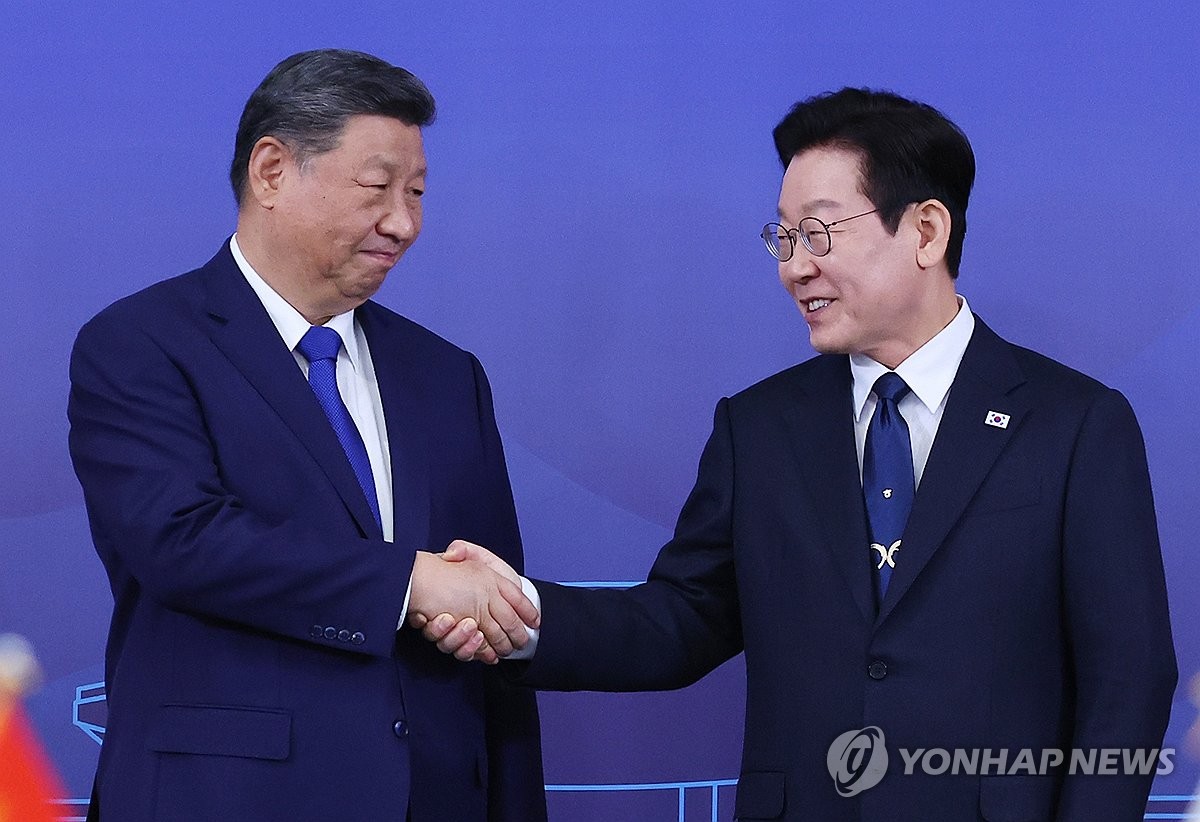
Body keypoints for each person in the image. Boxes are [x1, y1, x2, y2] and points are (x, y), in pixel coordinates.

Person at [422, 88, 1177, 820]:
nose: (794, 267)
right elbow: (681, 620)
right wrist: (519, 613)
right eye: (783, 238)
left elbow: (1130, 678)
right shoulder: (759, 429)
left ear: (926, 232)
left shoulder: (1075, 425)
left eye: (817, 233)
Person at [67, 49, 546, 821]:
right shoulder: (142, 344)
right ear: (271, 172)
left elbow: (488, 617)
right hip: (225, 800)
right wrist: (410, 582)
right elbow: (181, 540)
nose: (404, 223)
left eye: (417, 193)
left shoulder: (446, 374)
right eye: (377, 188)